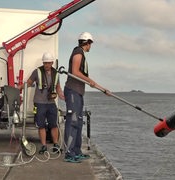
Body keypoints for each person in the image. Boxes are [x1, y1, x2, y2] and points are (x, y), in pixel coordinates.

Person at [63, 32, 110, 163]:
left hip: (78, 92)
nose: (91, 47)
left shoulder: (81, 53)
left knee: (78, 122)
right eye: (90, 44)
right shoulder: (78, 52)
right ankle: (69, 153)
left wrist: (101, 88)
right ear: (87, 42)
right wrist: (90, 81)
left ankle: (76, 151)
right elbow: (75, 71)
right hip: (72, 91)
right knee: (72, 122)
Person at [21, 52, 65, 154]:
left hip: (51, 103)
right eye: (45, 63)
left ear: (52, 63)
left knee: (54, 124)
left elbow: (58, 86)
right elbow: (29, 83)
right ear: (43, 62)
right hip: (39, 103)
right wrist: (19, 88)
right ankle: (44, 146)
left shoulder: (56, 73)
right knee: (41, 125)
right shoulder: (37, 72)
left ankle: (56, 145)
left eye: (48, 63)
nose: (47, 65)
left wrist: (62, 95)